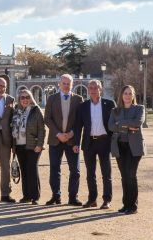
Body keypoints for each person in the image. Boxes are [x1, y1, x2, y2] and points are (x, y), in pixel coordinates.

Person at [74, 80, 116, 209]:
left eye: (95, 87)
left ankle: (107, 200)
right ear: (88, 89)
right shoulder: (83, 106)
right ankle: (92, 199)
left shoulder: (109, 104)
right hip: (89, 142)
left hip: (104, 141)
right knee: (90, 173)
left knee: (106, 173)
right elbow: (77, 126)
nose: (93, 90)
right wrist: (76, 143)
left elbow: (115, 124)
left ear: (100, 89)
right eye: (90, 87)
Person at [44, 74, 84, 206]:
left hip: (72, 140)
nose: (66, 86)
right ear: (59, 84)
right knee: (55, 169)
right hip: (56, 140)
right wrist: (58, 134)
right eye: (64, 83)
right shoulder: (52, 99)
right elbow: (47, 119)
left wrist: (72, 133)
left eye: (69, 84)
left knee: (75, 170)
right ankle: (56, 196)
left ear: (72, 85)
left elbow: (80, 120)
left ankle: (73, 197)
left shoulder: (79, 99)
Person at [108, 85, 146, 215]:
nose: (128, 96)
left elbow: (137, 123)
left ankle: (133, 206)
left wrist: (121, 124)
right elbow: (111, 126)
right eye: (125, 93)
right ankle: (126, 204)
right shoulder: (115, 110)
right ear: (121, 95)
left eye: (130, 93)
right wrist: (127, 126)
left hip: (134, 147)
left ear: (134, 95)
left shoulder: (140, 109)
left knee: (131, 174)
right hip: (119, 146)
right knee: (124, 176)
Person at [11, 89, 45, 205]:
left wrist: (40, 145)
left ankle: (35, 196)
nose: (25, 99)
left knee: (32, 169)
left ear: (31, 98)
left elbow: (41, 129)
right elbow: (13, 128)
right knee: (24, 171)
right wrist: (13, 146)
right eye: (22, 97)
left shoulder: (36, 110)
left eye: (27, 97)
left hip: (33, 145)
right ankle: (26, 195)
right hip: (19, 145)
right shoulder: (16, 110)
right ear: (19, 99)